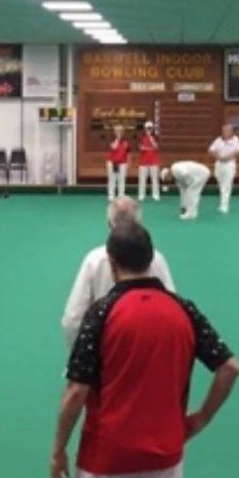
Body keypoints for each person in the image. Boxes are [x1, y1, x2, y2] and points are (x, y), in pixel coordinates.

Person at [51, 222, 239, 478]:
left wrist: (58, 447)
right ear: (152, 261)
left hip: (104, 453)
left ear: (111, 261)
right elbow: (229, 368)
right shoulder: (183, 309)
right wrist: (200, 417)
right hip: (164, 452)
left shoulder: (102, 312)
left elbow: (76, 391)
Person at [60, 197, 175, 350]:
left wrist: (77, 357)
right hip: (150, 347)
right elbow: (171, 305)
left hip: (107, 347)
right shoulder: (157, 257)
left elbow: (73, 318)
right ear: (139, 224)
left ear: (109, 223)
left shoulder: (94, 260)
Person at [208, 123, 239, 214]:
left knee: (226, 185)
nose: (225, 132)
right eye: (223, 130)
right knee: (220, 185)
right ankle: (221, 204)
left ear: (231, 132)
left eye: (227, 130)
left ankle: (225, 206)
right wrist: (217, 156)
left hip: (229, 164)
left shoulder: (236, 140)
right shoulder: (218, 140)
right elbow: (211, 150)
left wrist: (228, 156)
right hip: (219, 164)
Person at [136, 121, 161, 202]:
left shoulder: (155, 137)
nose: (149, 130)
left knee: (154, 179)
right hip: (143, 161)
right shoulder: (141, 137)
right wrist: (148, 148)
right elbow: (140, 148)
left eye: (150, 128)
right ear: (145, 128)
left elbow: (156, 146)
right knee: (142, 179)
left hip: (154, 161)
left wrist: (150, 138)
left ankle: (155, 194)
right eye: (147, 128)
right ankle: (141, 195)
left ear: (153, 129)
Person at [106, 125, 130, 202]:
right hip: (112, 162)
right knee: (112, 179)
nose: (119, 132)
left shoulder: (126, 142)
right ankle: (111, 195)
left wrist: (129, 163)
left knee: (122, 179)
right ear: (114, 132)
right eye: (117, 131)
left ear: (123, 132)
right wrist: (117, 139)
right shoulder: (111, 139)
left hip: (123, 163)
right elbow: (114, 147)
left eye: (120, 131)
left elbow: (128, 153)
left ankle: (121, 195)